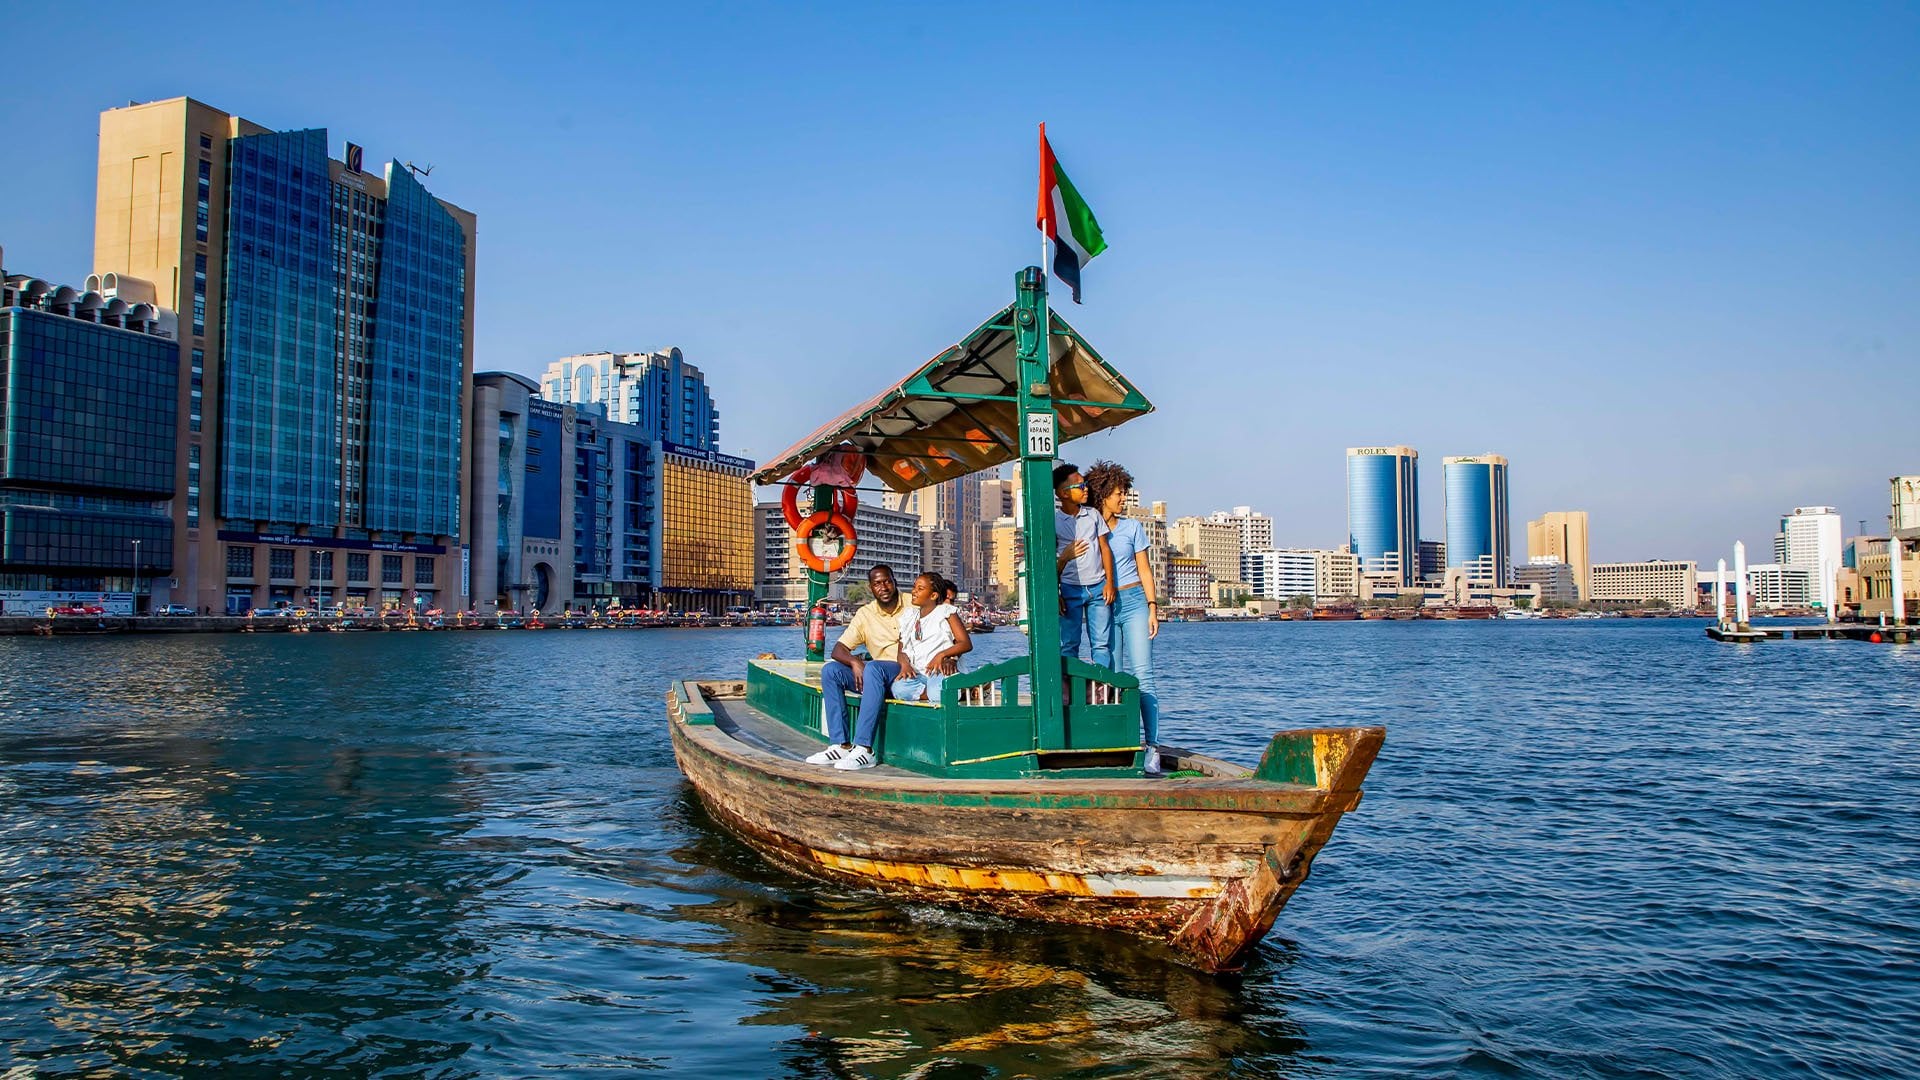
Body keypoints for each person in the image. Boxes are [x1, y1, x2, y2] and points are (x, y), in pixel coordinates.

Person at [1085, 460, 1164, 776]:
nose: (1123, 499)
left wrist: (1153, 607)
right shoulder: (1088, 526)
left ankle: (1153, 747)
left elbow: (1145, 570)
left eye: (1124, 493)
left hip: (1133, 602)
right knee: (1112, 676)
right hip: (1103, 605)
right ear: (1103, 494)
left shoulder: (1133, 527)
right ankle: (1121, 743)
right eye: (1119, 493)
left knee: (1143, 674)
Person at [809, 565, 905, 771]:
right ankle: (841, 745)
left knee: (873, 668)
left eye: (887, 581)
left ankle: (865, 748)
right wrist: (855, 662)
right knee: (831, 671)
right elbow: (838, 650)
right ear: (871, 588)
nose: (884, 587)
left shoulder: (912, 605)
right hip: (876, 676)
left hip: (904, 672)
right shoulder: (865, 614)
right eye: (877, 584)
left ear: (894, 581)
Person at [1054, 462, 1114, 668]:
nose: (1086, 488)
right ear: (1063, 493)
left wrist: (1109, 583)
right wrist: (1057, 592)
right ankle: (1069, 691)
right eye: (1080, 486)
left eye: (1085, 484)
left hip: (1098, 587)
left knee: (1101, 644)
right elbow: (1051, 563)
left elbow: (1105, 548)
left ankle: (1102, 690)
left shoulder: (1093, 515)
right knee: (1069, 643)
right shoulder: (1054, 521)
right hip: (1070, 589)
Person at [891, 572, 973, 702]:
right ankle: (956, 693)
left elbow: (965, 643)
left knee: (938, 690)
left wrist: (941, 655)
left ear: (933, 595)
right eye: (914, 587)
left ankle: (952, 690)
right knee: (898, 689)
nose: (914, 592)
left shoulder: (946, 612)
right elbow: (901, 650)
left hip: (940, 671)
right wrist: (904, 665)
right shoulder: (909, 616)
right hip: (919, 674)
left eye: (920, 589)